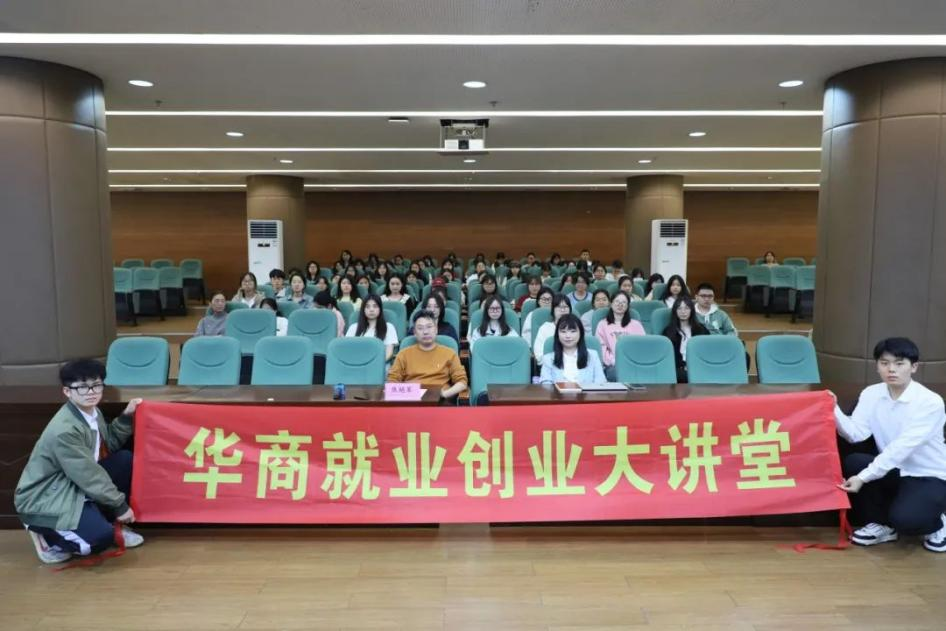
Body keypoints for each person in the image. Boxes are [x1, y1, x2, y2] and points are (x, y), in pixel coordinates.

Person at [14, 360, 144, 564]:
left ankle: (109, 524)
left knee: (124, 460)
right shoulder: (65, 429)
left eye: (96, 385)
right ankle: (44, 534)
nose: (91, 392)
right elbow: (88, 475)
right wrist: (120, 506)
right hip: (47, 496)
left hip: (72, 484)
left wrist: (127, 416)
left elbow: (108, 444)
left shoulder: (92, 411)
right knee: (97, 541)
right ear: (67, 391)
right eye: (82, 387)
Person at [834, 338, 946, 552]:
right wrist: (832, 409)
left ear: (914, 367)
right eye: (884, 363)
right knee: (855, 461)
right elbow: (856, 434)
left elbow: (903, 447)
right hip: (894, 469)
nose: (891, 369)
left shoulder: (930, 402)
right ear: (877, 366)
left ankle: (938, 522)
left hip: (928, 474)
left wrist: (863, 478)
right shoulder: (871, 393)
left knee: (907, 521)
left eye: (899, 363)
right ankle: (882, 525)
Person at [388, 311, 468, 402]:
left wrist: (444, 394)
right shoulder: (403, 354)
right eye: (420, 328)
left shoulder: (449, 353)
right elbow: (392, 381)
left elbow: (462, 382)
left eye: (429, 327)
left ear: (436, 329)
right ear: (414, 332)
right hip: (411, 400)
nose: (425, 332)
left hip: (439, 401)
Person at [539, 314, 606, 384]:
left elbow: (600, 381)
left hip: (587, 391)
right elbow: (546, 383)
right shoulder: (548, 359)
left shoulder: (593, 355)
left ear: (581, 333)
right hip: (557, 391)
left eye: (573, 331)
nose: (568, 336)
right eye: (563, 331)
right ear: (557, 334)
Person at [596, 290, 646, 380]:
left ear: (628, 306)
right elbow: (601, 348)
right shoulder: (602, 324)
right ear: (611, 304)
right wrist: (614, 361)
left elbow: (643, 346)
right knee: (615, 374)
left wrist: (634, 361)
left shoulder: (636, 325)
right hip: (613, 365)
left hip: (635, 363)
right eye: (617, 301)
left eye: (623, 302)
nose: (620, 304)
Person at [662, 296, 709, 383]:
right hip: (676, 369)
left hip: (698, 366)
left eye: (686, 308)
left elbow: (707, 352)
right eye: (679, 308)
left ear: (692, 310)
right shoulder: (668, 331)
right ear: (675, 311)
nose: (683, 312)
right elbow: (665, 356)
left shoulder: (701, 330)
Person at [346, 294, 398, 362]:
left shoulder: (389, 327)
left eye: (375, 306)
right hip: (357, 363)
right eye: (367, 307)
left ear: (380, 309)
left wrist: (374, 364)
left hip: (380, 364)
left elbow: (389, 353)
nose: (371, 309)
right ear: (363, 310)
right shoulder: (353, 327)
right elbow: (348, 350)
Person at [533, 293, 573, 360]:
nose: (563, 310)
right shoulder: (545, 328)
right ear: (553, 310)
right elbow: (539, 354)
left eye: (565, 307)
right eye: (559, 307)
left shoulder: (576, 327)